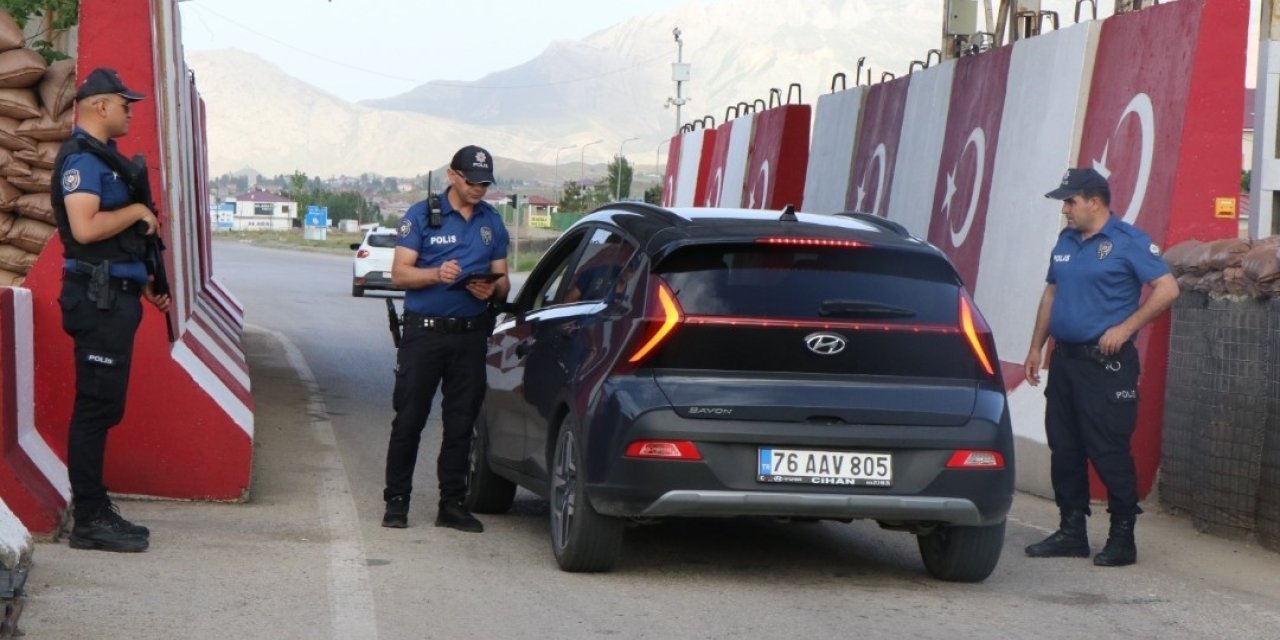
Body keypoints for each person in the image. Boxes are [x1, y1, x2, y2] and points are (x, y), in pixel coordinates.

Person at [1022, 167, 1179, 567]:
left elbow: (1168, 288)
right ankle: (1072, 531)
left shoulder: (1128, 242)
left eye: (1070, 202)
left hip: (1105, 365)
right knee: (1065, 449)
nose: (1065, 211)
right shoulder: (1066, 241)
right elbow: (1051, 293)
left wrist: (1126, 328)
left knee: (1108, 450)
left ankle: (1122, 536)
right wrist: (1036, 347)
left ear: (1094, 201)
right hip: (1065, 362)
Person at [52, 68, 170, 553]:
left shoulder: (106, 158)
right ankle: (90, 519)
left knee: (105, 406)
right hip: (95, 301)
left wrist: (143, 281)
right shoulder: (81, 159)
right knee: (95, 408)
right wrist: (138, 213)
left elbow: (111, 242)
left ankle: (96, 509)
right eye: (125, 103)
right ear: (100, 106)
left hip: (113, 296)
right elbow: (84, 228)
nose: (130, 110)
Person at [382, 145, 510, 532]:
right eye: (472, 181)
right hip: (425, 334)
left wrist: (493, 290)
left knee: (461, 423)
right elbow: (400, 275)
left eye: (485, 183)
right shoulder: (422, 215)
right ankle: (397, 502)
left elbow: (502, 280)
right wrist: (436, 274)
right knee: (410, 419)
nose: (479, 189)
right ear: (453, 175)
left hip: (470, 337)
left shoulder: (492, 222)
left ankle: (451, 504)